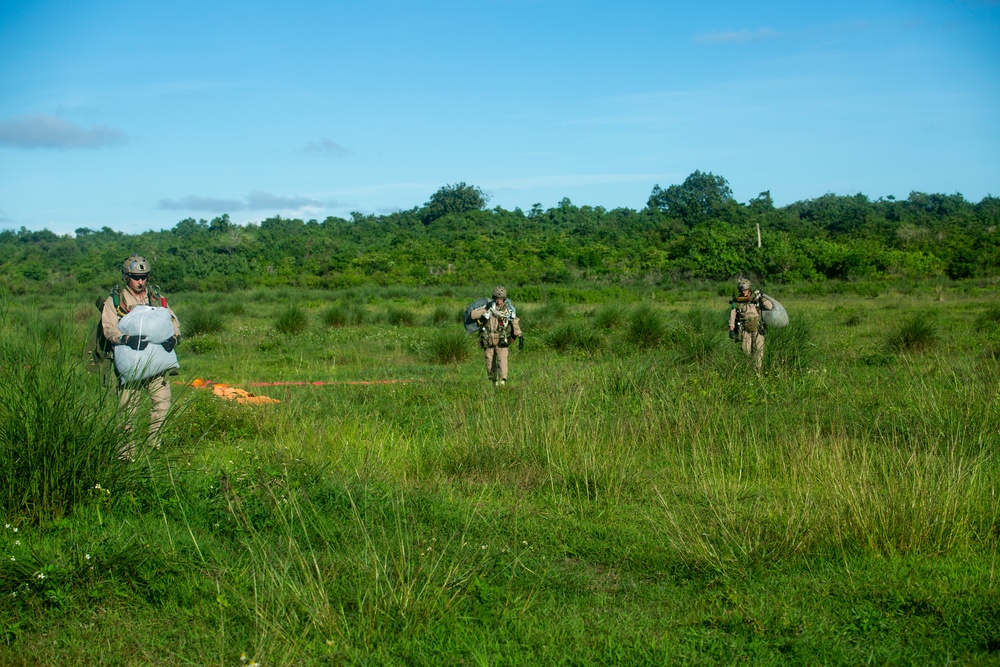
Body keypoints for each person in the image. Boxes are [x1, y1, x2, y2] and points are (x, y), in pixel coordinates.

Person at [100, 254, 181, 454]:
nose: (141, 281)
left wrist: (175, 337)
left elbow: (172, 320)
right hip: (131, 365)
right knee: (127, 411)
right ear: (127, 276)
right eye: (136, 277)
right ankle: (126, 453)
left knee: (162, 405)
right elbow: (108, 328)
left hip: (157, 363)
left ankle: (155, 446)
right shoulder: (116, 300)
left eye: (144, 276)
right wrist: (126, 339)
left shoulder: (155, 298)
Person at [469, 285, 522, 387]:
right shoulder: (488, 307)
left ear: (504, 299)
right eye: (497, 299)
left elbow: (514, 321)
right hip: (488, 339)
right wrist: (484, 311)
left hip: (502, 339)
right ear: (494, 298)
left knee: (502, 360)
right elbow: (473, 315)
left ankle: (502, 382)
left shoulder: (508, 310)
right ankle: (494, 382)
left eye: (501, 299)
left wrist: (519, 334)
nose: (499, 301)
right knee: (489, 360)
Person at [729, 277, 772, 373]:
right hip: (744, 329)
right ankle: (748, 371)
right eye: (742, 290)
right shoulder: (737, 301)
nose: (744, 292)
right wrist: (731, 329)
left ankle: (758, 372)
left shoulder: (756, 298)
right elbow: (732, 315)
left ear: (749, 289)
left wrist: (763, 297)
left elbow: (769, 306)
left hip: (757, 328)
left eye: (745, 290)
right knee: (746, 351)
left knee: (758, 351)